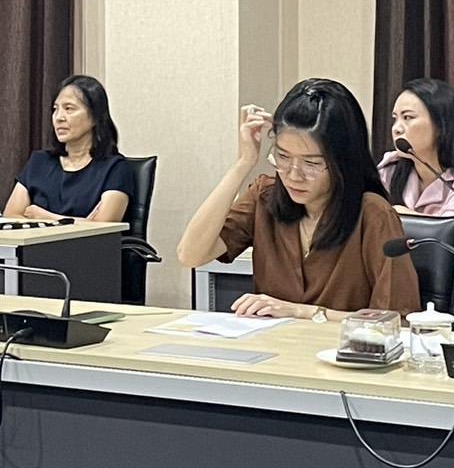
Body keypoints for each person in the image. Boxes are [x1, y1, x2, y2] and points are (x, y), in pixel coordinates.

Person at [177, 78, 419, 319]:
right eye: (282, 157)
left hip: (338, 345)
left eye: (311, 163)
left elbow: (396, 320)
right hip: (271, 342)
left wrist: (302, 312)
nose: (294, 175)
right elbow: (191, 255)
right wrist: (244, 163)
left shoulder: (373, 214)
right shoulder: (265, 196)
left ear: (343, 161)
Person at [377, 78, 454, 239]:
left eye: (407, 118)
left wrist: (401, 216)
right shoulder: (389, 170)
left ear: (441, 125)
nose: (396, 128)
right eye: (395, 118)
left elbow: (451, 234)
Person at [4, 75, 132, 222]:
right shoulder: (39, 162)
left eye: (69, 109)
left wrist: (45, 217)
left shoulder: (115, 168)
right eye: (55, 109)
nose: (59, 117)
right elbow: (10, 217)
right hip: (37, 240)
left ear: (95, 116)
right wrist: (81, 222)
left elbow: (103, 227)